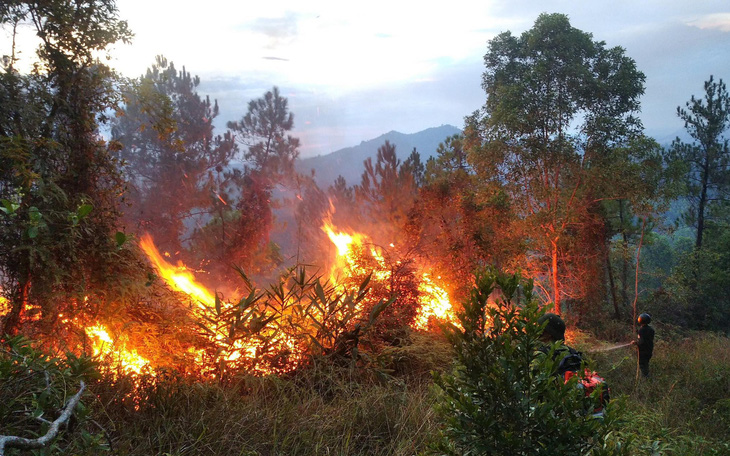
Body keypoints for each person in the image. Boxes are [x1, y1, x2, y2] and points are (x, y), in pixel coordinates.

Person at [631, 312, 655, 378]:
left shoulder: (641, 330)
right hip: (649, 350)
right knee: (646, 364)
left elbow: (642, 341)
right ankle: (646, 378)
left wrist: (635, 343)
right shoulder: (651, 330)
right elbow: (647, 340)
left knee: (643, 366)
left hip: (643, 351)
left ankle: (647, 380)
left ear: (640, 320)